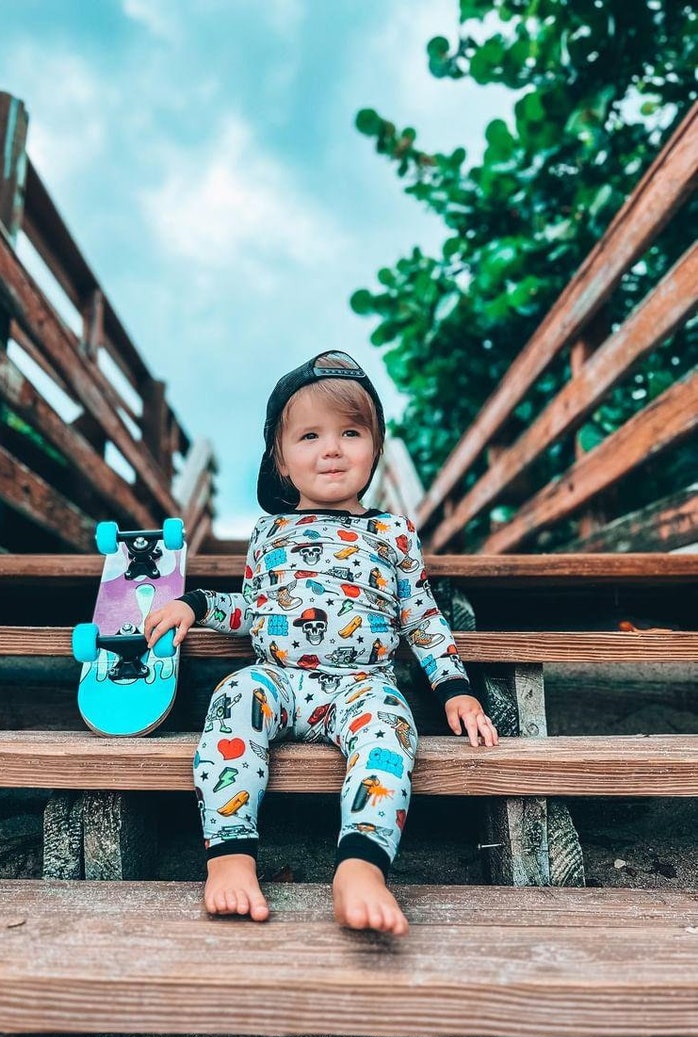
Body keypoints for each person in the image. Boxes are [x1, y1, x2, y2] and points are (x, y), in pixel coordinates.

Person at [145, 350, 498, 935]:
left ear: (375, 450)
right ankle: (230, 856)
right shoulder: (270, 532)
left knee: (391, 730)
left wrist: (456, 689)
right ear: (281, 461)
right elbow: (254, 608)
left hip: (363, 687)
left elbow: (424, 618)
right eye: (309, 435)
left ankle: (360, 866)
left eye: (351, 432)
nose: (331, 449)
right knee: (234, 696)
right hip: (278, 680)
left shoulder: (392, 532)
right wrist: (196, 605)